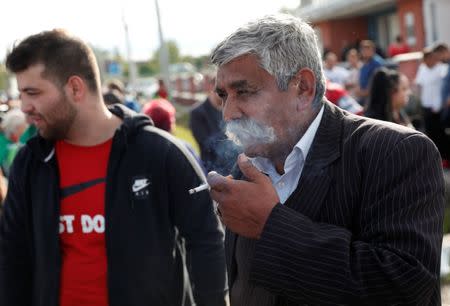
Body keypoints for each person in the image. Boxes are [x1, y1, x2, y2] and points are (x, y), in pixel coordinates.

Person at [208, 14, 444, 305]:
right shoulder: (248, 166)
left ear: (303, 88)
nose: (229, 113)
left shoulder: (394, 151)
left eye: (243, 91)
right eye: (223, 95)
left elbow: (401, 286)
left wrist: (270, 225)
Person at [0, 29, 227, 306]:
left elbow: (206, 241)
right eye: (22, 94)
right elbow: (12, 256)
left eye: (32, 92)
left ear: (75, 88)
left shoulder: (160, 154)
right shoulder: (31, 162)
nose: (24, 106)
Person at [190, 75, 240, 174]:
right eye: (221, 92)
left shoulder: (230, 110)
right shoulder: (198, 113)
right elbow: (207, 144)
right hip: (211, 169)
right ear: (211, 88)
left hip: (234, 168)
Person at [358, 39, 385, 104]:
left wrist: (367, 91)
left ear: (372, 50)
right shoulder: (364, 64)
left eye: (367, 49)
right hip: (364, 98)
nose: (364, 51)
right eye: (363, 49)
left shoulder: (377, 63)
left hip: (375, 98)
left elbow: (378, 81)